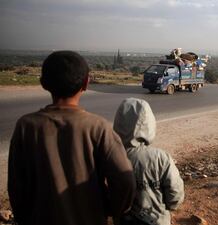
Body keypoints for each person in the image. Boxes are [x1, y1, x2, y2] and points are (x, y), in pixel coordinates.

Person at [8, 51, 135, 225]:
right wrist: (111, 208)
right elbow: (125, 179)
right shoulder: (98, 127)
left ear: (43, 83)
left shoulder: (26, 127)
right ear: (86, 83)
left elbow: (16, 187)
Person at [113, 98, 184, 225]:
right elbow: (175, 195)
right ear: (149, 124)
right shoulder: (161, 158)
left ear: (119, 122)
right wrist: (169, 207)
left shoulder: (111, 156)